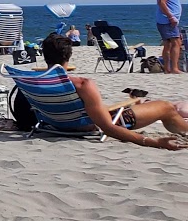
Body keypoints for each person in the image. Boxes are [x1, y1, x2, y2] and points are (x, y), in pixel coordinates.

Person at [36, 35, 184, 149]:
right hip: (98, 123)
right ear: (68, 55)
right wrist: (150, 141)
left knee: (129, 104)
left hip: (57, 124)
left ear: (45, 56)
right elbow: (108, 127)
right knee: (166, 107)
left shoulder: (35, 82)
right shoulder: (82, 84)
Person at [157, 0, 183, 75]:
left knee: (167, 44)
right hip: (167, 21)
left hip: (164, 20)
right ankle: (174, 68)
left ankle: (167, 68)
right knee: (176, 42)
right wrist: (171, 17)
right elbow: (162, 2)